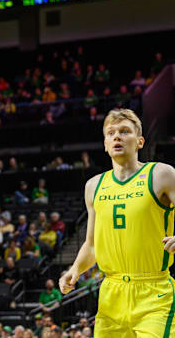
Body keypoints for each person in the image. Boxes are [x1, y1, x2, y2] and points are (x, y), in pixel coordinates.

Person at [60, 108, 175, 336]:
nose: (117, 137)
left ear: (140, 141)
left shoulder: (161, 174)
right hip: (111, 294)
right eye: (111, 133)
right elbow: (92, 244)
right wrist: (74, 269)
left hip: (154, 291)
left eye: (125, 131)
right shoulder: (94, 186)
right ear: (105, 144)